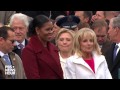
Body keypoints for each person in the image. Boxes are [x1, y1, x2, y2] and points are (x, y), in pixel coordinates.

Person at [22, 15, 63, 79]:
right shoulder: (29, 51)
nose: (51, 32)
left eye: (51, 29)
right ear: (37, 30)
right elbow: (33, 76)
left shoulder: (53, 47)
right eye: (47, 30)